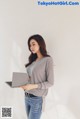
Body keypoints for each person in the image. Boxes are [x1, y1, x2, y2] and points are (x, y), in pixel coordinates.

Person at [20, 34, 54, 119]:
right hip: (26, 96)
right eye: (30, 45)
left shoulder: (47, 60)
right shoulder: (33, 61)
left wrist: (33, 86)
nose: (31, 47)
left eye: (33, 44)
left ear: (40, 44)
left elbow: (50, 83)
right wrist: (23, 84)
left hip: (37, 99)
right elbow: (31, 78)